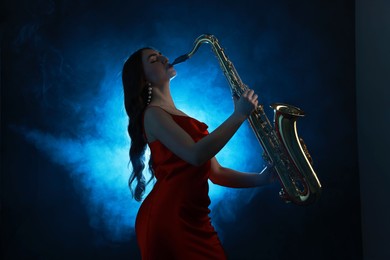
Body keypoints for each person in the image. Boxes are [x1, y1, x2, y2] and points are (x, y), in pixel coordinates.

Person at [122, 47, 275, 260]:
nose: (165, 58)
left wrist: (263, 178)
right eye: (154, 59)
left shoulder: (181, 116)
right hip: (169, 219)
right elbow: (195, 155)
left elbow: (216, 172)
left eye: (161, 54)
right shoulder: (153, 115)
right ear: (143, 79)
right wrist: (239, 115)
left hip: (194, 217)